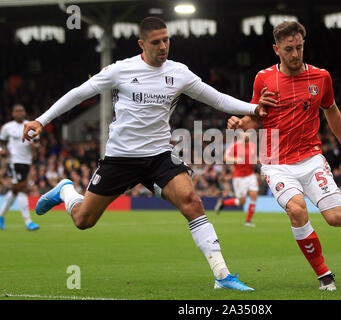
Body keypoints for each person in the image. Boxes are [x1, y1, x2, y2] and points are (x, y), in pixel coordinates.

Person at [22, 17, 269, 291]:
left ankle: (222, 275)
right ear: (142, 44)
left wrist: (252, 108)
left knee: (192, 202)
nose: (163, 46)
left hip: (158, 156)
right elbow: (78, 94)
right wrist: (41, 121)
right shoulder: (120, 70)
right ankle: (66, 191)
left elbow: (217, 98)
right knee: (83, 221)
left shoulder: (179, 73)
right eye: (156, 42)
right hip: (120, 158)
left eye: (166, 40)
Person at [227, 21, 341, 291]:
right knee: (297, 210)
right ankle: (325, 276)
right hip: (276, 164)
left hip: (311, 159)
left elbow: (331, 109)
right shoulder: (264, 78)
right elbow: (256, 118)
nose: (295, 54)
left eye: (299, 47)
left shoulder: (321, 77)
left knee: (335, 219)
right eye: (288, 49)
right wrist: (241, 123)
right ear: (277, 49)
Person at [0, 104, 40, 231]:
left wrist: (35, 147)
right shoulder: (7, 127)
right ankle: (29, 222)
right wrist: (2, 151)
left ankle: (0, 216)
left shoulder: (31, 125)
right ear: (13, 114)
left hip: (26, 161)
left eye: (21, 111)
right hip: (14, 161)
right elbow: (2, 143)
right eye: (16, 111)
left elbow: (37, 144)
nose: (19, 113)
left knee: (15, 190)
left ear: (24, 112)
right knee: (22, 189)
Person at [214, 132, 259, 227]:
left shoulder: (253, 146)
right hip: (239, 177)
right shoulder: (235, 146)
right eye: (245, 133)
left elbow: (254, 159)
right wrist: (235, 159)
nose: (247, 135)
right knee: (242, 201)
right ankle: (223, 203)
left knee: (254, 195)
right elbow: (225, 158)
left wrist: (259, 160)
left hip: (250, 175)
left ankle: (248, 221)